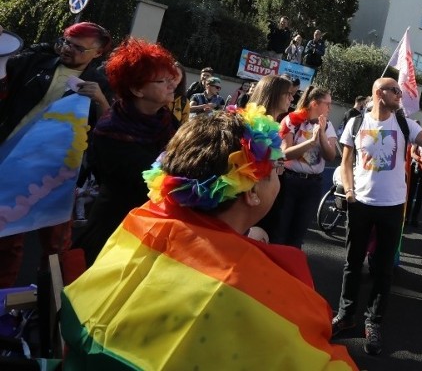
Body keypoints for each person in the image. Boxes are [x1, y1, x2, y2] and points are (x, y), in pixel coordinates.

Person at [61, 105, 357, 370]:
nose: (279, 176)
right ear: (251, 192)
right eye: (276, 168)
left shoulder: (141, 221)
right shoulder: (260, 284)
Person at [332, 77, 422, 355]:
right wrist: (349, 191)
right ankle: (346, 315)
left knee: (383, 270)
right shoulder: (356, 123)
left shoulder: (405, 124)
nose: (400, 95)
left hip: (392, 206)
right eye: (396, 91)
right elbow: (346, 162)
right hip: (360, 203)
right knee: (352, 263)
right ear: (379, 93)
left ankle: (374, 322)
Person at [0, 22, 112, 287]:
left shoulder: (101, 84)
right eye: (65, 42)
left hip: (58, 174)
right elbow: (9, 66)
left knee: (57, 244)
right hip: (14, 160)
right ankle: (5, 304)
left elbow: (110, 129)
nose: (67, 49)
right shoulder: (37, 62)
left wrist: (101, 102)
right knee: (8, 238)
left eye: (78, 47)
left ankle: (52, 306)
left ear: (97, 53)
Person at [74, 38, 180, 265]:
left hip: (152, 229)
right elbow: (156, 178)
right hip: (116, 231)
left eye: (172, 78)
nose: (172, 85)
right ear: (136, 89)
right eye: (163, 81)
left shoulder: (164, 120)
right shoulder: (111, 132)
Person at [272, 85, 336, 247]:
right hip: (289, 181)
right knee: (279, 230)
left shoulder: (327, 126)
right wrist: (311, 141)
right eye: (327, 104)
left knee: (297, 235)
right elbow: (284, 153)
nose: (330, 107)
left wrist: (321, 135)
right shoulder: (292, 120)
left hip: (313, 184)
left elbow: (330, 156)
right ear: (315, 104)